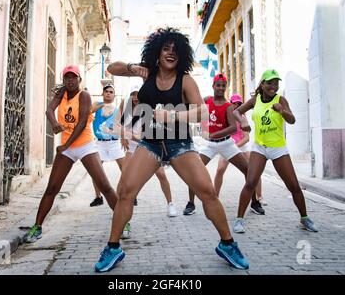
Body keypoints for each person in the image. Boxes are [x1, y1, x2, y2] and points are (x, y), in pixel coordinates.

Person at [94, 27, 249, 273]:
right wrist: (136, 68)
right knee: (125, 191)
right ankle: (113, 248)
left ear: (182, 56)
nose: (170, 53)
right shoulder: (148, 73)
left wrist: (172, 115)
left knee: (207, 192)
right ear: (157, 51)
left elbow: (201, 112)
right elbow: (112, 68)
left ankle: (228, 244)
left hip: (180, 145)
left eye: (175, 50)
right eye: (165, 48)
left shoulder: (185, 79)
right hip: (150, 144)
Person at [23, 65, 118, 243]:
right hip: (67, 148)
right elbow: (49, 110)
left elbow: (82, 122)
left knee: (104, 186)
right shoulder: (62, 94)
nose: (70, 80)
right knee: (52, 188)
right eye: (67, 77)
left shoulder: (84, 95)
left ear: (79, 79)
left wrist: (65, 144)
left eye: (73, 77)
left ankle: (124, 223)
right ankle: (37, 227)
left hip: (85, 145)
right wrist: (54, 124)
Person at [233, 69, 318, 233]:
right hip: (260, 147)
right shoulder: (255, 100)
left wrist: (282, 111)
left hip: (278, 148)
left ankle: (304, 218)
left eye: (276, 83)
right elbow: (236, 111)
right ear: (262, 84)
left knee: (293, 186)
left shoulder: (281, 99)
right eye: (270, 83)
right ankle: (239, 220)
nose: (273, 86)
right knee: (250, 182)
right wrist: (242, 122)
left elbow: (292, 120)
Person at [182, 74, 265, 219]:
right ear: (213, 86)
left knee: (248, 170)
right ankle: (191, 203)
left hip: (226, 143)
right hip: (209, 145)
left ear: (225, 88)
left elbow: (233, 128)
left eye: (223, 85)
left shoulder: (228, 106)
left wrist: (215, 134)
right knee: (194, 172)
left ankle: (254, 202)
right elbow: (192, 104)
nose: (220, 88)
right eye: (218, 85)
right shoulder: (207, 100)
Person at [116, 83, 177, 218]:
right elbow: (119, 125)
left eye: (138, 94)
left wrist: (130, 136)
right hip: (132, 149)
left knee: (161, 175)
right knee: (124, 179)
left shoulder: (148, 109)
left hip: (146, 147)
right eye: (133, 94)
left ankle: (170, 204)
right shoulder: (126, 107)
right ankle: (120, 210)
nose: (136, 97)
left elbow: (149, 134)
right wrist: (122, 137)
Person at [213, 94, 266, 208]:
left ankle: (259, 197)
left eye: (239, 104)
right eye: (234, 103)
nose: (236, 105)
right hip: (228, 145)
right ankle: (215, 197)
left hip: (242, 145)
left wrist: (235, 147)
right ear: (230, 103)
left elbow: (247, 138)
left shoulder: (243, 118)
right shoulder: (226, 116)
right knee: (220, 169)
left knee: (253, 170)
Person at [89, 84, 129, 207]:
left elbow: (122, 125)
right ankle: (98, 197)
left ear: (114, 95)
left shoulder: (117, 110)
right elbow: (89, 111)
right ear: (103, 93)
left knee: (125, 169)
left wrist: (123, 138)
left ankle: (128, 194)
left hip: (114, 143)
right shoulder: (97, 106)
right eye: (106, 91)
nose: (108, 93)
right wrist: (104, 105)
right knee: (95, 171)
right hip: (100, 143)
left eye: (111, 92)